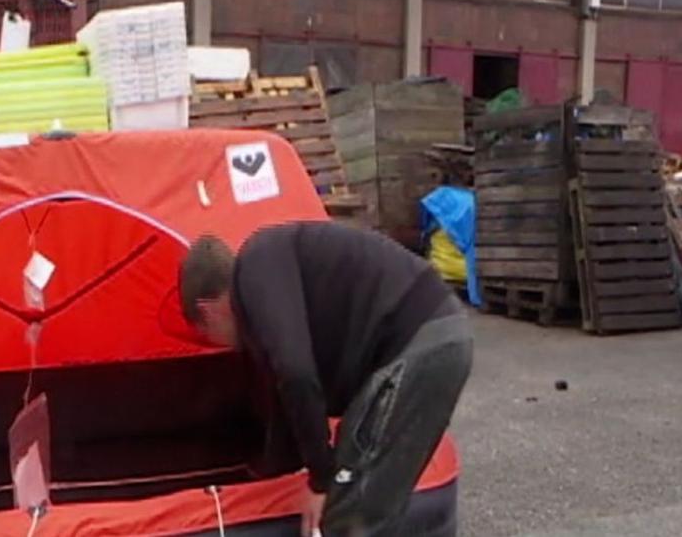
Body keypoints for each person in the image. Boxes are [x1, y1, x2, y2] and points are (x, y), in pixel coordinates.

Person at [179, 222, 472, 536]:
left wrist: (319, 480)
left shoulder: (256, 265)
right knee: (365, 498)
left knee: (350, 514)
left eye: (207, 335)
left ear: (207, 311)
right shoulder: (270, 278)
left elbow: (297, 374)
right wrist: (269, 475)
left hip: (419, 343)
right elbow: (286, 399)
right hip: (424, 341)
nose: (219, 344)